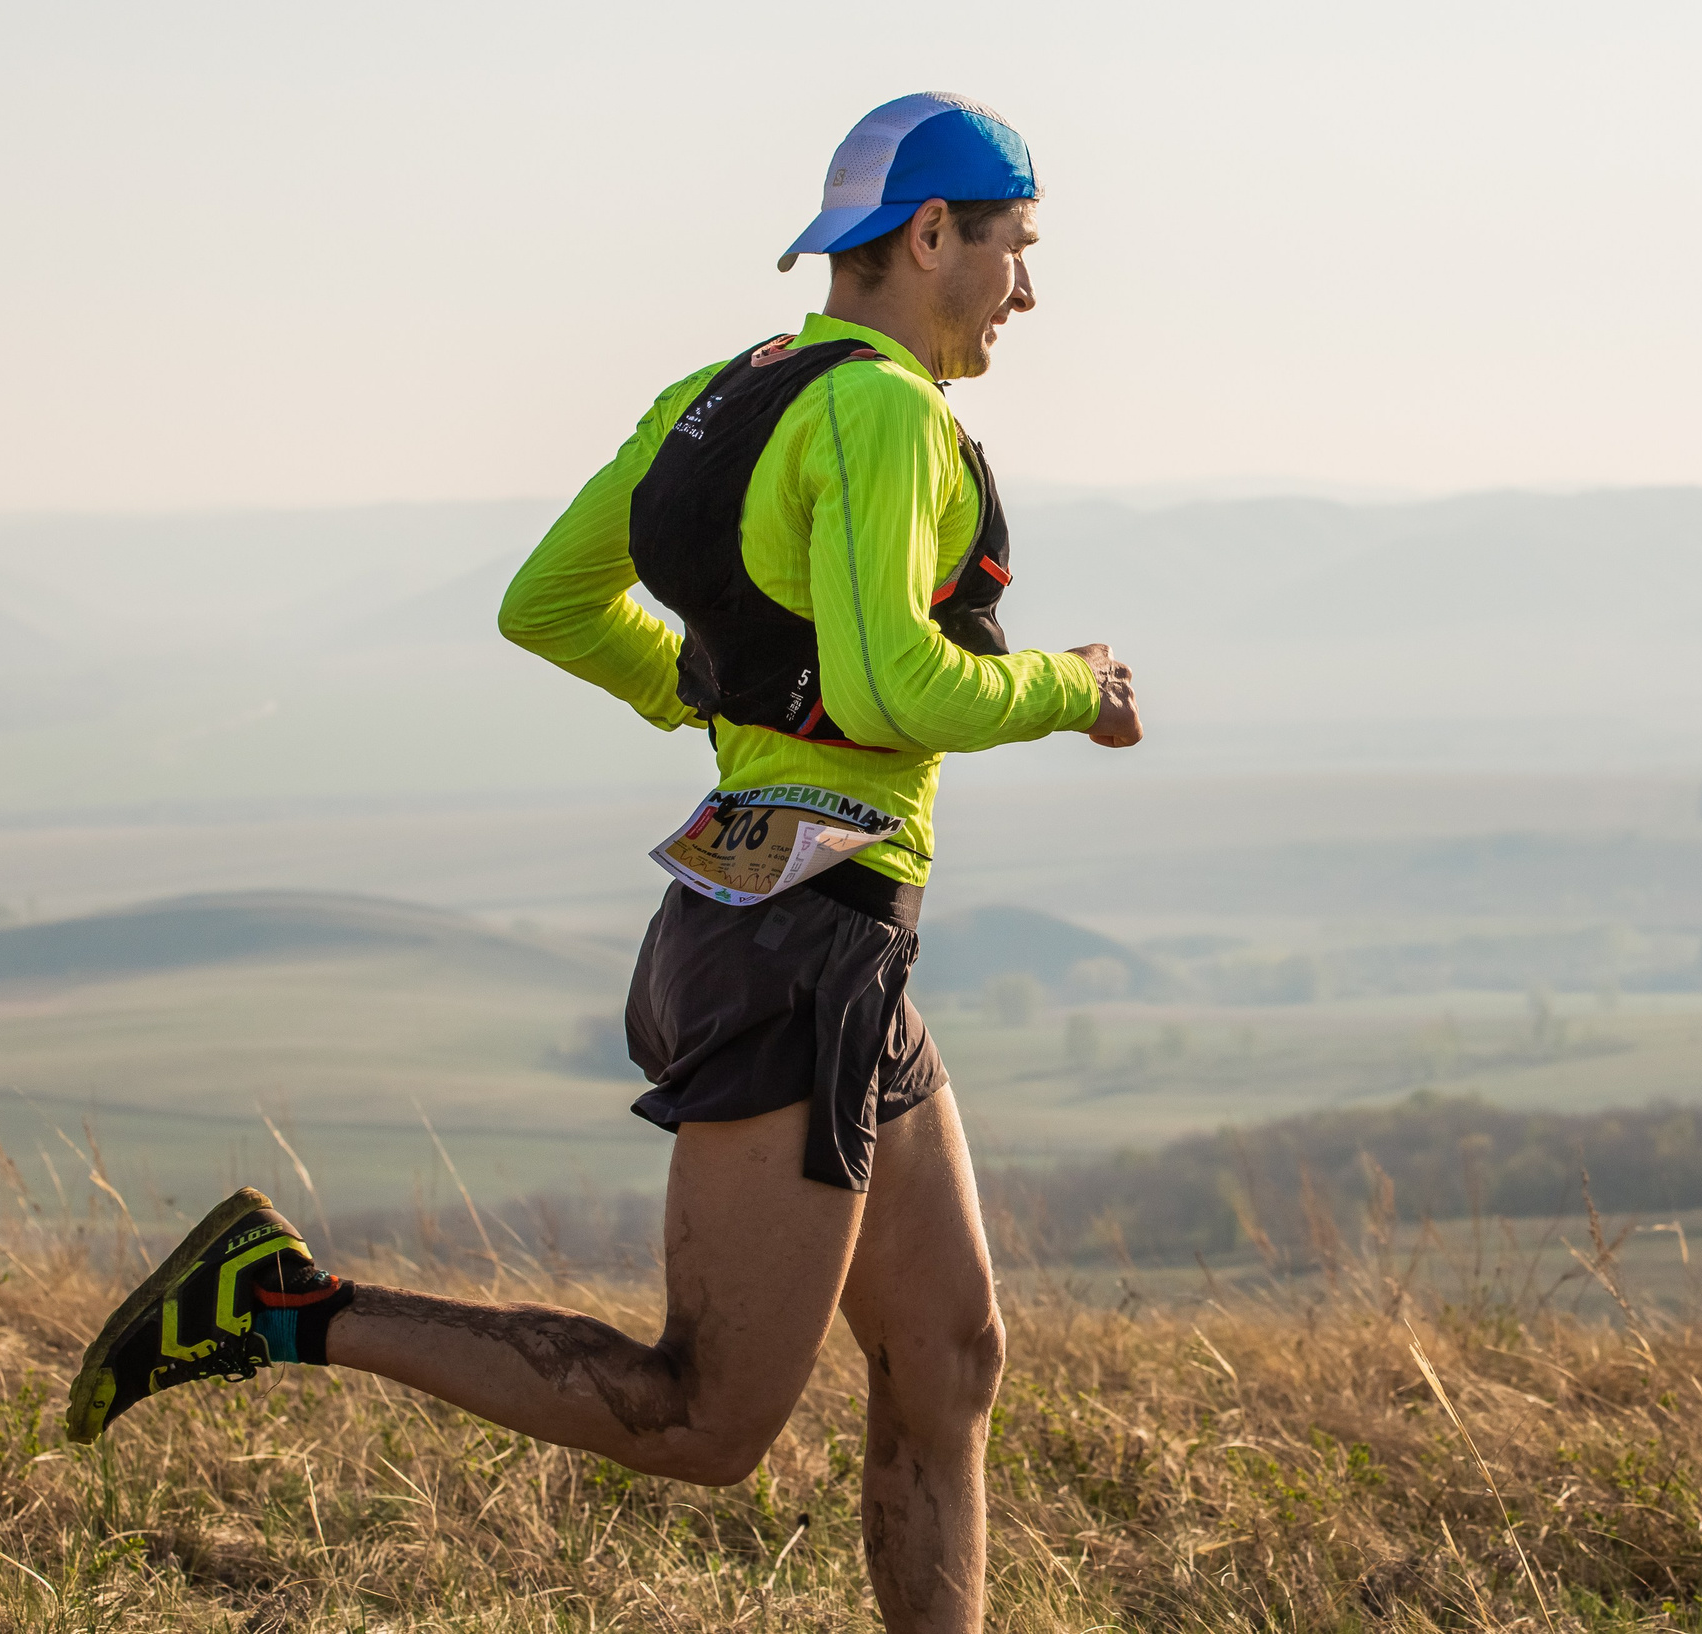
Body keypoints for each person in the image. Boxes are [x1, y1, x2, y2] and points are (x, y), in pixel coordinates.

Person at [64, 93, 1142, 1633]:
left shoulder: (716, 397)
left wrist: (726, 699)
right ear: (927, 237)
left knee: (950, 1355)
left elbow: (550, 602)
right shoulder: (890, 408)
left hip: (806, 934)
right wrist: (1071, 686)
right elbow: (906, 688)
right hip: (802, 950)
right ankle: (286, 1304)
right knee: (704, 1416)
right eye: (1014, 249)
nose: (1026, 291)